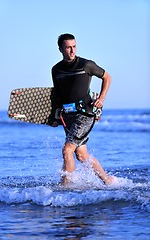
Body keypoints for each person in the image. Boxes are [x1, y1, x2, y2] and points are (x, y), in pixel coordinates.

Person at [51, 33, 115, 185]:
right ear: (60, 49)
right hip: (67, 116)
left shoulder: (86, 65)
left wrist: (101, 98)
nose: (72, 51)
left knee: (67, 150)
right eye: (68, 47)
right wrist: (54, 117)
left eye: (74, 47)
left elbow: (107, 77)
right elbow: (57, 94)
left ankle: (65, 188)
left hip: (84, 113)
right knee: (81, 155)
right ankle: (108, 181)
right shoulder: (56, 70)